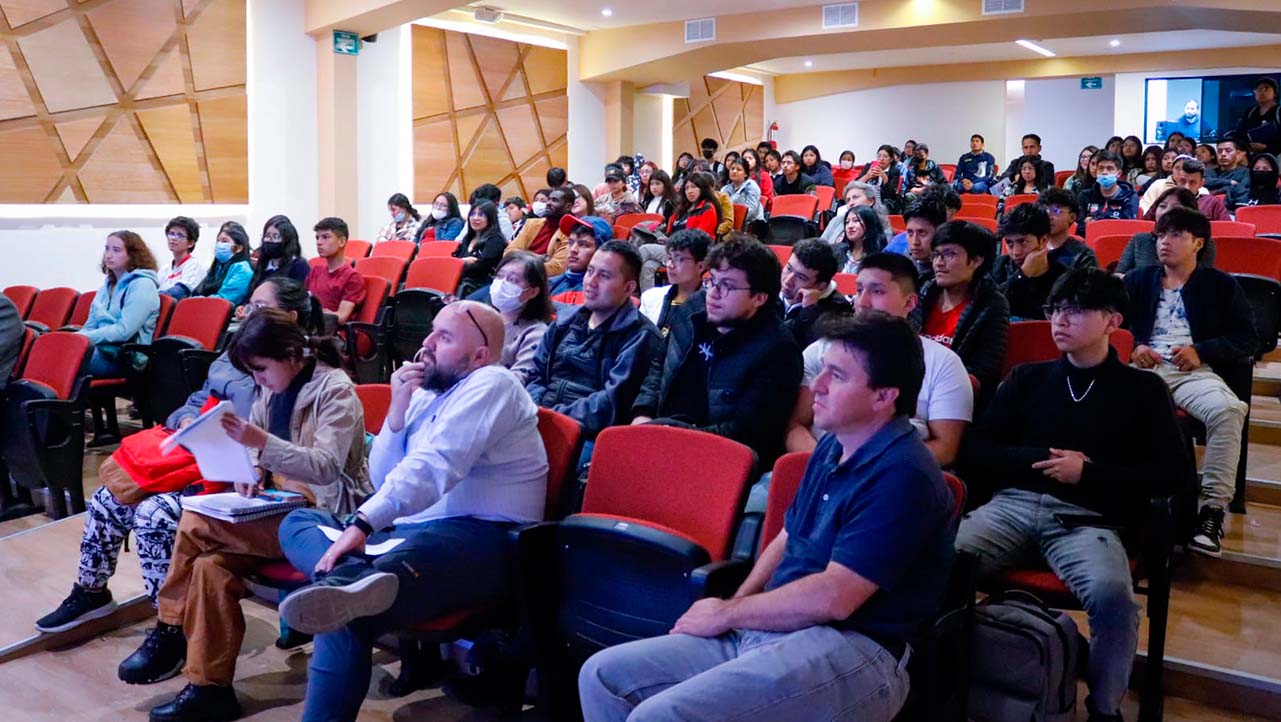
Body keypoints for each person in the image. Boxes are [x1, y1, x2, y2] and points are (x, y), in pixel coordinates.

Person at [581, 310, 955, 722]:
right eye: (823, 371)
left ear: (884, 396)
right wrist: (737, 606)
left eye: (838, 376)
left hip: (858, 648)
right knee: (602, 675)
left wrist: (727, 613)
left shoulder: (903, 475)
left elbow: (835, 597)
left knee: (662, 716)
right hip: (779, 624)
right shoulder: (833, 446)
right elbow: (788, 537)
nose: (818, 387)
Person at [266, 301, 544, 722]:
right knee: (298, 521)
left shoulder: (494, 383)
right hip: (411, 536)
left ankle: (346, 585)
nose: (426, 344)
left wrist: (361, 524)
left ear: (479, 355)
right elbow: (383, 477)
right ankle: (348, 584)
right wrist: (397, 411)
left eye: (444, 338)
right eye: (431, 332)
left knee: (345, 617)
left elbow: (434, 467)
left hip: (483, 538)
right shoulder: (428, 392)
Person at [958, 268, 1189, 722]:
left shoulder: (1143, 390)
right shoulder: (1028, 378)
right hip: (1013, 506)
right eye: (1055, 309)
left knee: (1112, 598)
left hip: (1088, 518)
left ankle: (1104, 708)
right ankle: (944, 679)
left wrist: (1089, 473)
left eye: (1076, 310)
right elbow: (977, 451)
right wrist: (1041, 460)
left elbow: (1171, 476)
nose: (1060, 320)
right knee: (941, 562)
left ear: (1112, 321)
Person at [119, 309, 371, 721]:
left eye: (260, 369)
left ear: (292, 354)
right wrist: (251, 469)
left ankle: (169, 626)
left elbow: (327, 466)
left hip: (325, 516)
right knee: (208, 568)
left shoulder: (336, 389)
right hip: (278, 503)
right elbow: (255, 446)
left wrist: (262, 444)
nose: (258, 380)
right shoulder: (273, 386)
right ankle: (209, 688)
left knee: (196, 522)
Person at [34, 277, 311, 635]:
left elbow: (288, 441)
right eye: (251, 305)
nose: (249, 313)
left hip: (249, 476)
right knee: (107, 499)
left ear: (289, 317)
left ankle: (172, 627)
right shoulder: (236, 349)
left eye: (261, 308)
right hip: (203, 457)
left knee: (154, 514)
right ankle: (91, 590)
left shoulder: (300, 368)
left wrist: (245, 451)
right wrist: (188, 419)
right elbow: (200, 396)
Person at [1124, 206, 1254, 556]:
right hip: (1141, 371)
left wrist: (1202, 350)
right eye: (1161, 235)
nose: (1165, 242)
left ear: (1198, 243)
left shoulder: (1220, 284)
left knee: (1228, 409)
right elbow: (1112, 324)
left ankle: (1211, 511)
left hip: (1189, 372)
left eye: (1176, 235)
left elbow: (1248, 338)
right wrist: (1134, 344)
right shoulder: (1137, 280)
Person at [778, 252, 972, 469]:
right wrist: (830, 467)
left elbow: (945, 450)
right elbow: (795, 426)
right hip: (816, 467)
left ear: (909, 303)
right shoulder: (822, 349)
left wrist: (861, 467)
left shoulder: (944, 363)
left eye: (877, 291)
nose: (863, 302)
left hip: (895, 474)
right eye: (859, 290)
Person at [632, 238, 802, 466]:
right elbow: (660, 365)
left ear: (759, 298)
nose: (713, 293)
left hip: (714, 459)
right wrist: (642, 413)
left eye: (728, 286)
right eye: (712, 281)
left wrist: (668, 436)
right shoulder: (693, 308)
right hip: (658, 434)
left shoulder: (779, 351)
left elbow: (748, 432)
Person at [526, 241, 662, 442]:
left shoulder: (641, 336)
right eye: (590, 271)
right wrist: (534, 410)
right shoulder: (565, 322)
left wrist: (551, 417)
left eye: (604, 276)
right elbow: (535, 374)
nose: (591, 281)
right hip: (537, 418)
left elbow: (610, 403)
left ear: (628, 287)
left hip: (587, 435)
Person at [911, 220, 1010, 397]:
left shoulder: (992, 304)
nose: (939, 263)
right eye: (936, 255)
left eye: (949, 255)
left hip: (952, 393)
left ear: (976, 260)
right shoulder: (923, 293)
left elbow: (983, 372)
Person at [79, 231, 161, 378]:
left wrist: (81, 339)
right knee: (58, 351)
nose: (108, 255)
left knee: (64, 358)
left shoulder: (143, 285)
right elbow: (91, 325)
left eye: (116, 250)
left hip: (124, 357)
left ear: (132, 255)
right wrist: (76, 339)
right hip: (101, 349)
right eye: (107, 249)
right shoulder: (105, 287)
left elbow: (123, 331)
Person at [990, 204, 1065, 320]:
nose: (1016, 252)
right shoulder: (996, 267)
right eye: (1009, 243)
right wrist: (1022, 275)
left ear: (1043, 240)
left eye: (1023, 242)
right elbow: (987, 308)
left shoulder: (1064, 278)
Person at [490, 252, 555, 384]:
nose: (502, 284)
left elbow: (518, 379)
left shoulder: (535, 332)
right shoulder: (484, 319)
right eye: (500, 276)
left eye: (513, 280)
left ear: (532, 292)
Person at [1119, 186, 1217, 274]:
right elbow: (1119, 274)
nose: (1166, 212)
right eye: (1162, 206)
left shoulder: (1203, 243)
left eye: (1176, 207)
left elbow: (1204, 279)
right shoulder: (1140, 239)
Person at [778, 239, 852, 347]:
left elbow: (786, 344)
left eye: (801, 277)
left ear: (821, 286)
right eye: (789, 268)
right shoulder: (770, 289)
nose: (788, 281)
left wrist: (809, 312)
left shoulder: (838, 312)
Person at [639, 228, 709, 337]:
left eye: (679, 259)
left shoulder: (710, 306)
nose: (670, 265)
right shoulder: (650, 298)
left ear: (700, 266)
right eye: (670, 258)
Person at [504, 186, 574, 278]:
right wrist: (541, 258)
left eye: (555, 200)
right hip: (515, 275)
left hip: (543, 282)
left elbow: (556, 268)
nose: (548, 203)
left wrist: (522, 261)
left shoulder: (569, 232)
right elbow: (509, 252)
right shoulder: (532, 224)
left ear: (568, 206)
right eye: (548, 200)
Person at [306, 217, 366, 325]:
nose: (319, 242)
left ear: (341, 241)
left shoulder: (352, 277)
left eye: (325, 237)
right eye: (317, 238)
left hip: (332, 334)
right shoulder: (315, 271)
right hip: (311, 326)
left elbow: (341, 317)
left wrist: (320, 313)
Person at [547, 215, 612, 310]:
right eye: (570, 242)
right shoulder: (549, 284)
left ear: (601, 251)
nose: (573, 250)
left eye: (584, 245)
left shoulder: (606, 293)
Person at [453, 201, 509, 297]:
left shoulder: (495, 240)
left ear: (490, 218)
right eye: (473, 214)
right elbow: (455, 259)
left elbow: (481, 267)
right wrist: (463, 261)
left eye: (481, 215)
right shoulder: (468, 238)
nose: (475, 218)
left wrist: (459, 263)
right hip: (461, 281)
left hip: (481, 286)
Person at [1076, 151, 1139, 235]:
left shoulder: (1130, 197)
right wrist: (1111, 221)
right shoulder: (1085, 195)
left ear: (1118, 173)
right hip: (1088, 242)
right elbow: (1079, 228)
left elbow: (1126, 228)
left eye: (1109, 168)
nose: (1104, 172)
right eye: (1101, 168)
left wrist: (1093, 221)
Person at [1038, 188, 1100, 272]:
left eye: (1056, 211)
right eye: (1045, 210)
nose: (1049, 216)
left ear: (1072, 217)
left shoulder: (1083, 256)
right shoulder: (1030, 248)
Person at [193, 222, 253, 305]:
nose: (220, 245)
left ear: (239, 248)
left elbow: (224, 299)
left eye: (225, 241)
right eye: (218, 241)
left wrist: (196, 301)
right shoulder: (218, 267)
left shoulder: (242, 269)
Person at [822, 181, 895, 247]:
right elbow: (819, 247)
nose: (851, 203)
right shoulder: (837, 220)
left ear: (870, 201)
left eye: (855, 197)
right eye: (848, 200)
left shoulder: (883, 228)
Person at [250, 215, 309, 291]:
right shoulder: (263, 264)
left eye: (276, 236)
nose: (270, 240)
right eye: (267, 235)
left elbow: (297, 297)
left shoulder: (299, 266)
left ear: (287, 240)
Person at [158, 217, 206, 300]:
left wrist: (155, 296)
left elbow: (179, 293)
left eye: (179, 235)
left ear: (190, 243)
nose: (173, 238)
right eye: (171, 233)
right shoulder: (164, 270)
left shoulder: (194, 266)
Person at [900, 200, 949, 281]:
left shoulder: (953, 270)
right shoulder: (902, 265)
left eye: (922, 233)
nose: (915, 242)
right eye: (910, 233)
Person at [834, 205, 888, 274]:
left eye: (856, 221)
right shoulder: (836, 252)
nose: (850, 226)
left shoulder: (880, 259)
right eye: (847, 222)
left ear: (869, 224)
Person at [666, 171, 721, 237]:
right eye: (686, 188)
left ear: (702, 189)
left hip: (693, 246)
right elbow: (669, 231)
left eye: (693, 187)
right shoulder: (682, 208)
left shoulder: (707, 208)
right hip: (671, 243)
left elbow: (700, 237)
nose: (690, 191)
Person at [1236, 76, 1281, 156]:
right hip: (1253, 157)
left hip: (1277, 157)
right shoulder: (1250, 112)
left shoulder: (1278, 111)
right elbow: (1240, 135)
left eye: (1266, 89)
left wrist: (1266, 147)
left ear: (1274, 93)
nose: (1262, 92)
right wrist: (1248, 146)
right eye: (1259, 89)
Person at [1205, 136, 1251, 210]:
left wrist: (1212, 192)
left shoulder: (1246, 173)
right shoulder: (1209, 171)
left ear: (1237, 153)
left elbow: (1240, 189)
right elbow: (1205, 182)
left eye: (1228, 151)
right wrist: (1230, 182)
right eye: (1219, 151)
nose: (1223, 154)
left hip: (1232, 209)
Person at [858, 145, 903, 213]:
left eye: (885, 157)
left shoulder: (894, 171)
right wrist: (867, 176)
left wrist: (883, 176)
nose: (881, 159)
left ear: (891, 159)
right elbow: (855, 185)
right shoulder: (869, 167)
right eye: (879, 156)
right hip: (864, 198)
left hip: (882, 202)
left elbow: (890, 194)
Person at [722, 159, 763, 223]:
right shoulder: (725, 189)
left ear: (746, 174)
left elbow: (752, 212)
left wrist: (732, 219)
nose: (734, 171)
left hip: (751, 225)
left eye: (739, 169)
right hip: (730, 222)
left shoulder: (751, 186)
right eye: (732, 169)